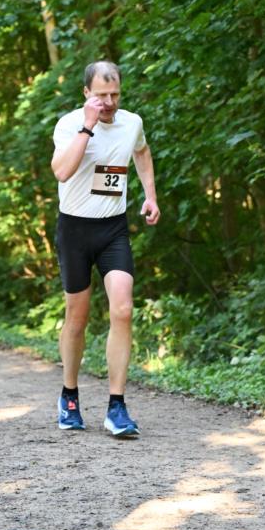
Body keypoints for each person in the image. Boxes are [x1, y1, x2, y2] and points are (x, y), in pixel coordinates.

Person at [51, 60, 160, 438]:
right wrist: (88, 126)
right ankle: (69, 396)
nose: (109, 102)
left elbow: (142, 153)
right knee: (77, 318)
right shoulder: (69, 125)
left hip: (113, 229)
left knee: (123, 308)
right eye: (101, 95)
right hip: (75, 230)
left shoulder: (132, 122)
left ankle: (117, 406)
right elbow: (61, 172)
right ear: (86, 93)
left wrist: (150, 195)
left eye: (115, 95)